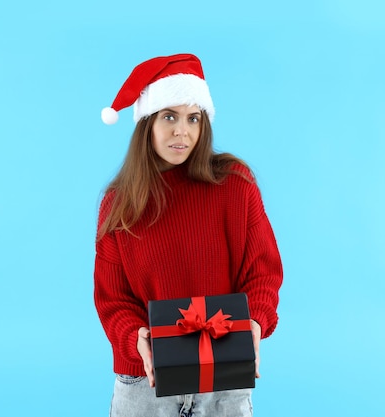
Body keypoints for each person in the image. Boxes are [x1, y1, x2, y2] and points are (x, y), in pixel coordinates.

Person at [94, 53, 283, 417]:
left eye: (193, 118)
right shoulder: (119, 203)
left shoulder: (236, 186)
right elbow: (111, 298)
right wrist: (138, 339)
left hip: (223, 381)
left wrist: (255, 323)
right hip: (145, 386)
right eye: (169, 116)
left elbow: (264, 273)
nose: (182, 131)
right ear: (147, 122)